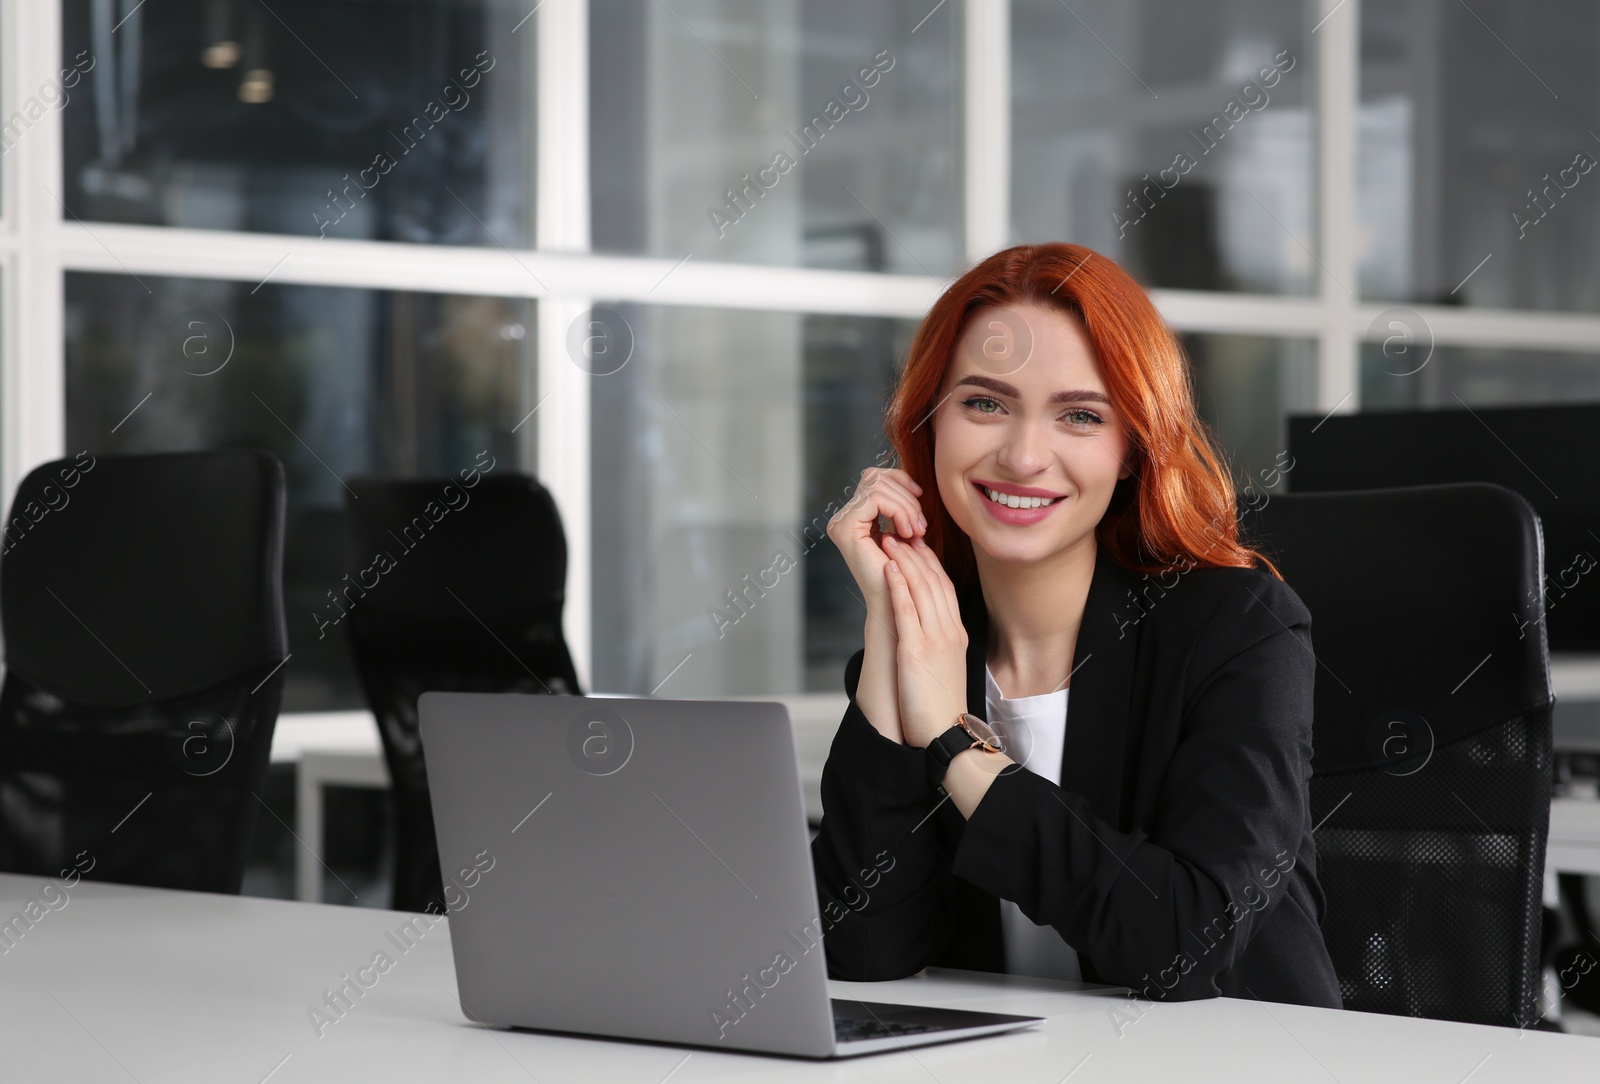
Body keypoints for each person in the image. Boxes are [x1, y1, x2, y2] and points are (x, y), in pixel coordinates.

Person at [809, 242, 1341, 1009]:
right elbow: (861, 953)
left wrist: (954, 744)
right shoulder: (920, 651)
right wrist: (893, 623)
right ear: (929, 423)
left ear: (1131, 449)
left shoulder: (1236, 631)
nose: (1024, 455)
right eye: (984, 403)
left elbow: (1182, 948)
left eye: (1080, 415)